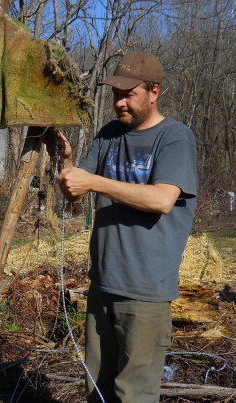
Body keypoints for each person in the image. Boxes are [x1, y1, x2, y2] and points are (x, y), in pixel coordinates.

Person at [47, 51, 198, 402]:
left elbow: (162, 199)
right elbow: (79, 194)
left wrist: (95, 182)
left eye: (128, 94)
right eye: (116, 94)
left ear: (154, 91)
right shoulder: (110, 134)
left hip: (145, 291)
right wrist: (67, 162)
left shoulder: (175, 137)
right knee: (98, 390)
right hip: (102, 284)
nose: (120, 103)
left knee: (134, 394)